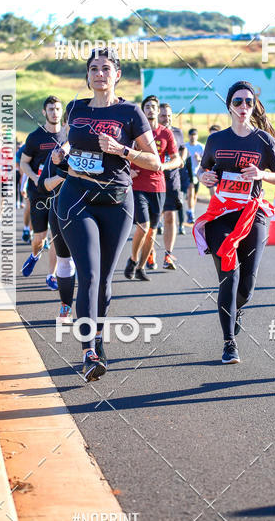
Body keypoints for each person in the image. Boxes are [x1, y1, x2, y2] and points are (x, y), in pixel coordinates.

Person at [56, 48, 160, 381]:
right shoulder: (76, 108)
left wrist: (122, 150)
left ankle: (98, 336)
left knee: (104, 279)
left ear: (117, 75)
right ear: (87, 76)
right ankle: (88, 352)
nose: (99, 74)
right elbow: (69, 142)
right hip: (76, 197)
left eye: (105, 68)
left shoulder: (130, 112)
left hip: (116, 201)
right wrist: (61, 152)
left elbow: (155, 161)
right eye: (93, 69)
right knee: (88, 274)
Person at [195, 81, 275, 364]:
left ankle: (236, 310)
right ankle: (229, 343)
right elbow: (203, 169)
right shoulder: (216, 140)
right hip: (221, 214)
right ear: (229, 106)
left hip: (252, 213)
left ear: (253, 106)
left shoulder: (264, 140)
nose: (243, 106)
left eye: (248, 101)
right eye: (238, 101)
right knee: (230, 275)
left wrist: (262, 174)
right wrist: (203, 177)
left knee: (246, 286)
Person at [124, 95, 179, 280]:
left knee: (152, 231)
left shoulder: (166, 133)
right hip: (138, 184)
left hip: (158, 186)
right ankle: (133, 259)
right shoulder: (135, 132)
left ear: (158, 110)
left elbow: (177, 159)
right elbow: (121, 153)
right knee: (143, 225)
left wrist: (163, 166)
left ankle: (141, 267)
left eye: (153, 107)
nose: (150, 110)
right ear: (143, 110)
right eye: (147, 107)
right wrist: (128, 171)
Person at [20, 97, 64, 288]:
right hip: (38, 193)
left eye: (58, 109)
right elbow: (23, 163)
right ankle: (34, 255)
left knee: (56, 236)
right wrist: (35, 178)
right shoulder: (35, 137)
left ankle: (51, 275)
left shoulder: (68, 136)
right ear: (44, 112)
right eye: (51, 109)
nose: (55, 112)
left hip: (60, 193)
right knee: (40, 237)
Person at [37, 121, 75, 324]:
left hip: (92, 213)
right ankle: (65, 306)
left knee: (90, 265)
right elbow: (43, 185)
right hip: (60, 211)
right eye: (74, 123)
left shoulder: (99, 151)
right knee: (65, 260)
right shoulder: (57, 153)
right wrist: (62, 176)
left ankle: (92, 310)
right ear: (67, 126)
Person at [158, 102, 186, 265]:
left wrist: (182, 158)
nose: (166, 118)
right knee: (152, 222)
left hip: (172, 181)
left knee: (170, 217)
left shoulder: (177, 132)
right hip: (153, 181)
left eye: (169, 115)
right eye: (163, 115)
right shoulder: (150, 133)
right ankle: (149, 253)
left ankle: (168, 255)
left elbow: (183, 148)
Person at [184, 128, 203, 222]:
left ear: (197, 136)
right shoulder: (185, 146)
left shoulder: (201, 147)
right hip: (188, 173)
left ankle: (191, 211)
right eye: (191, 135)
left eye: (194, 135)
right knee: (190, 192)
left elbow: (206, 160)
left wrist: (199, 159)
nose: (193, 137)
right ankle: (190, 212)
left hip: (197, 173)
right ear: (189, 136)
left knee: (195, 195)